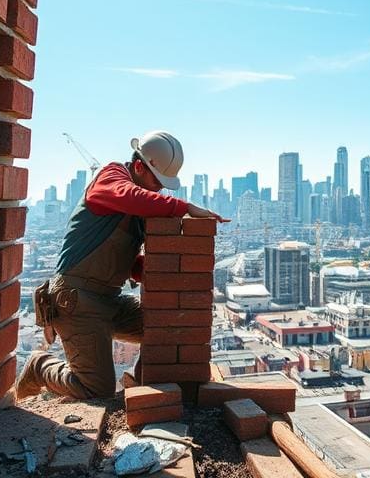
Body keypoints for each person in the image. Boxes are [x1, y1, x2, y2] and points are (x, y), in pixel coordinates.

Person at [15, 131, 221, 399]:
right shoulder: (111, 177)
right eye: (157, 183)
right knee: (96, 389)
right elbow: (129, 194)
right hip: (76, 301)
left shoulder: (133, 211)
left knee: (166, 324)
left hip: (108, 300)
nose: (159, 189)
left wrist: (169, 274)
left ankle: (140, 383)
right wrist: (185, 207)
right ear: (138, 166)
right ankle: (40, 366)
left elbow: (121, 261)